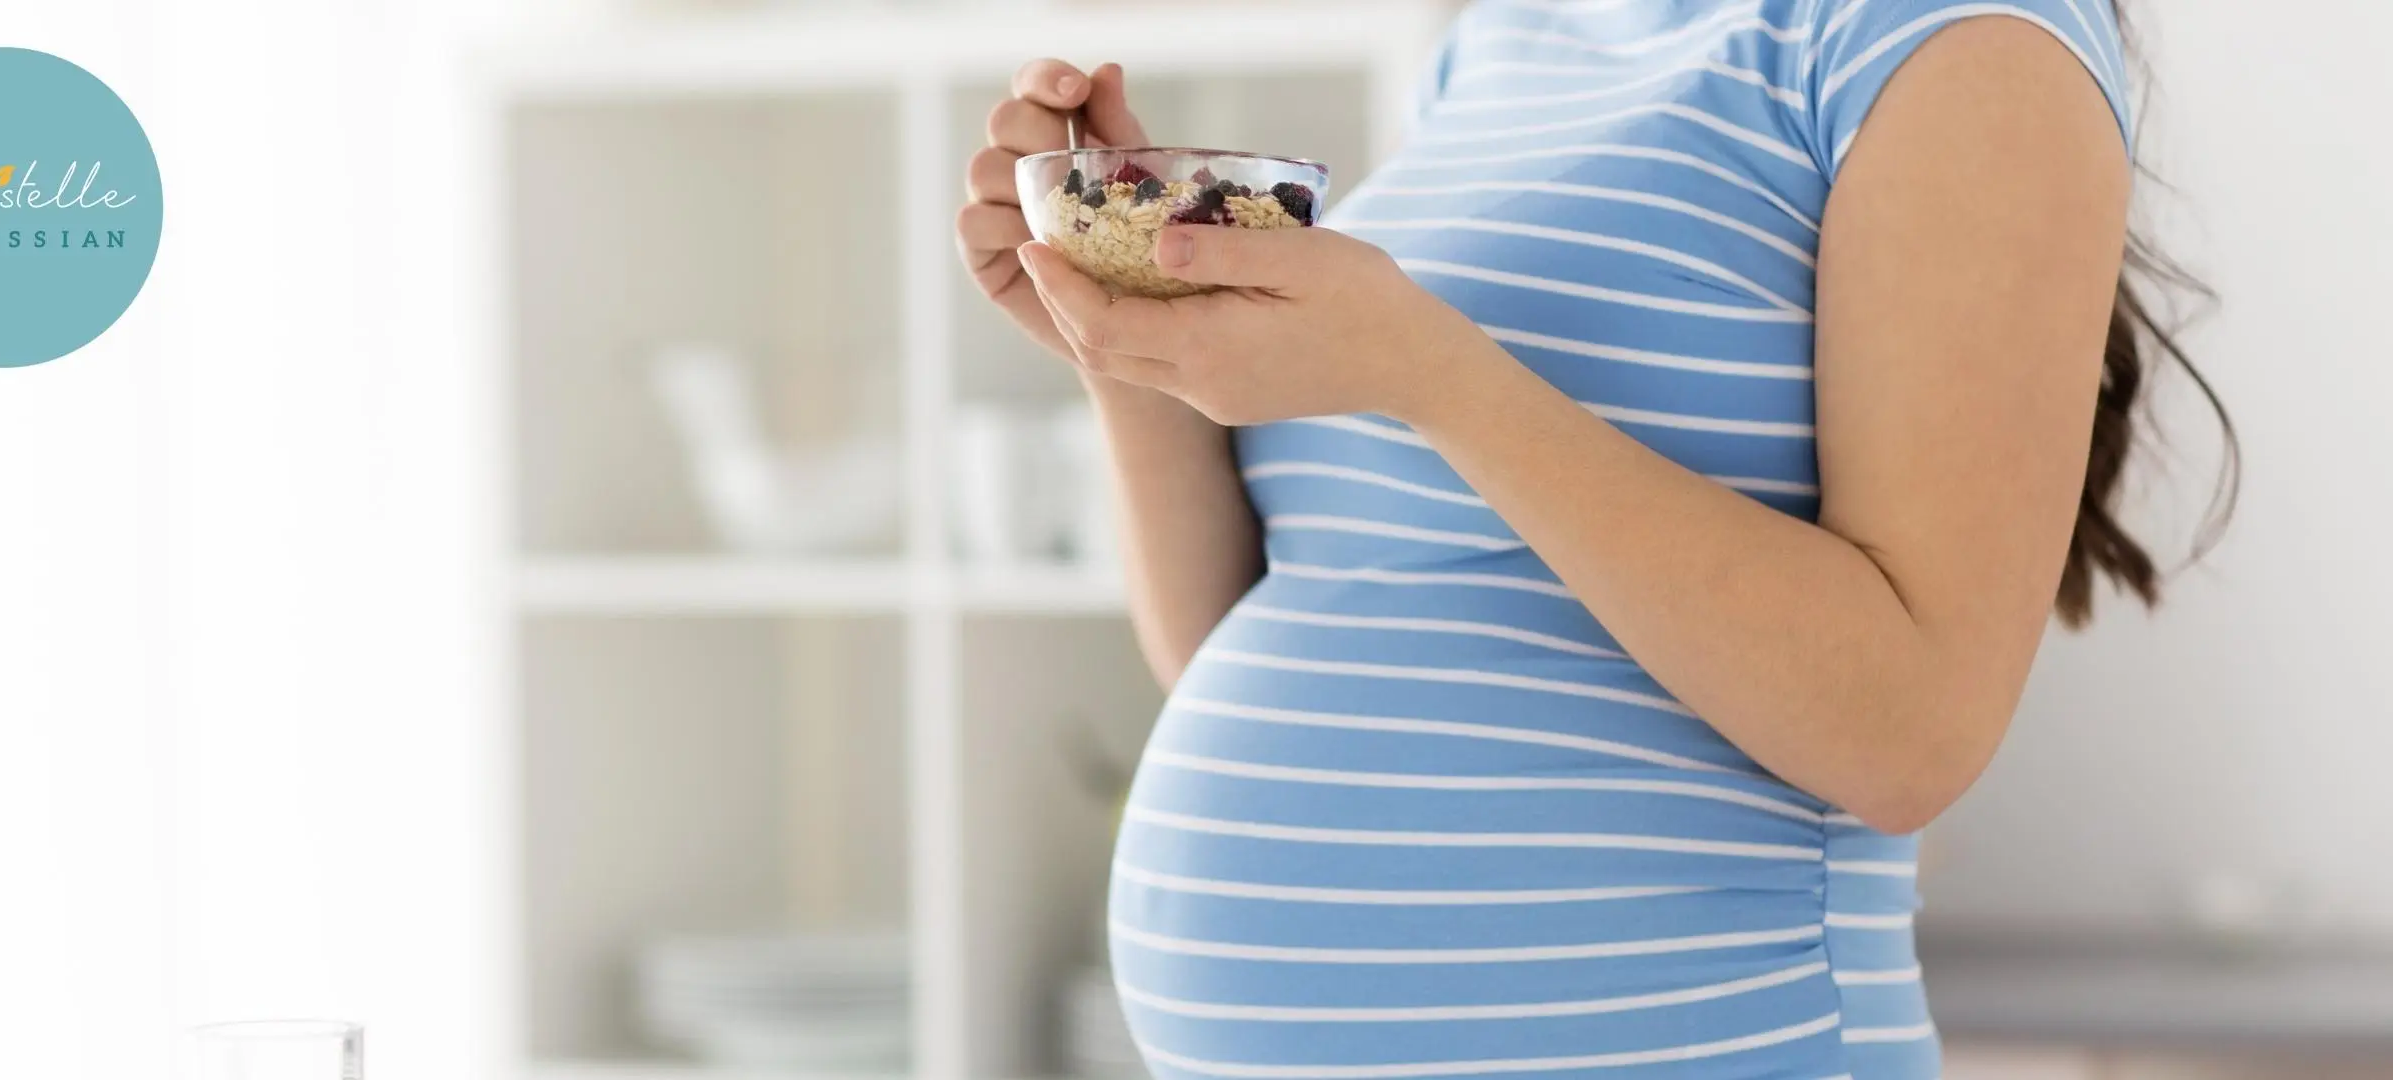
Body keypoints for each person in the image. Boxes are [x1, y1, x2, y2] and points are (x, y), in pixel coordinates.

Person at [957, 1, 2234, 1077]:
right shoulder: (1504, 37)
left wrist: (1432, 373)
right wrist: (1125, 328)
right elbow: (1228, 641)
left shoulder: (1958, 43)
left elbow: (1912, 731)